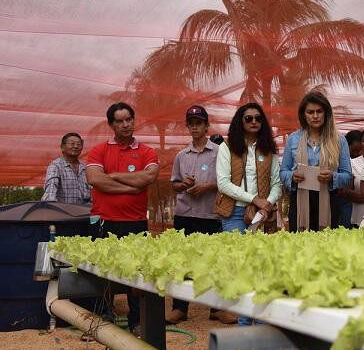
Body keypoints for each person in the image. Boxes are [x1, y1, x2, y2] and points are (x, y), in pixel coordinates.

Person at [85, 102, 159, 335]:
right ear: (111, 124)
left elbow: (147, 179)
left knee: (136, 273)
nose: (125, 125)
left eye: (129, 119)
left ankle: (136, 321)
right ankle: (104, 319)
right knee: (101, 271)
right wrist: (131, 184)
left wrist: (114, 176)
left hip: (135, 221)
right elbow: (96, 179)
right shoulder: (98, 150)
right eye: (119, 121)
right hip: (103, 220)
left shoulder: (147, 151)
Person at [166, 105, 236, 325]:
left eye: (199, 123)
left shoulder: (219, 152)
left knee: (214, 261)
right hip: (185, 214)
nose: (195, 127)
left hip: (210, 215)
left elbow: (228, 182)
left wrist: (207, 187)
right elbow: (174, 184)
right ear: (188, 127)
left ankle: (216, 309)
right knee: (182, 262)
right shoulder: (181, 155)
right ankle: (179, 308)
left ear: (207, 126)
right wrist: (183, 185)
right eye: (191, 123)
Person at [216, 102, 280, 326]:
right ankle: (244, 324)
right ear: (239, 122)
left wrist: (266, 205)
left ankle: (261, 324)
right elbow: (223, 183)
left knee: (261, 269)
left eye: (257, 118)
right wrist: (254, 199)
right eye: (248, 118)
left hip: (261, 216)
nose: (253, 122)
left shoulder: (268, 150)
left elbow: (277, 184)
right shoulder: (227, 147)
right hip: (234, 213)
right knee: (242, 270)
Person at [280, 91, 352, 232]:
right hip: (299, 200)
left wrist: (332, 176)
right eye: (310, 112)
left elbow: (348, 176)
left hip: (329, 201)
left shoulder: (339, 140)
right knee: (299, 246)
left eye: (319, 111)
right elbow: (283, 172)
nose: (315, 116)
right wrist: (292, 176)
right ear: (303, 114)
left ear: (326, 113)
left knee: (327, 247)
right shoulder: (293, 139)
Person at [41, 132, 90, 204]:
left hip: (83, 212)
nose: (76, 146)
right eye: (72, 144)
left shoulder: (85, 167)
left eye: (79, 144)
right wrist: (50, 207)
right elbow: (51, 190)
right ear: (62, 147)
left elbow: (92, 191)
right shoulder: (56, 165)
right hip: (64, 212)